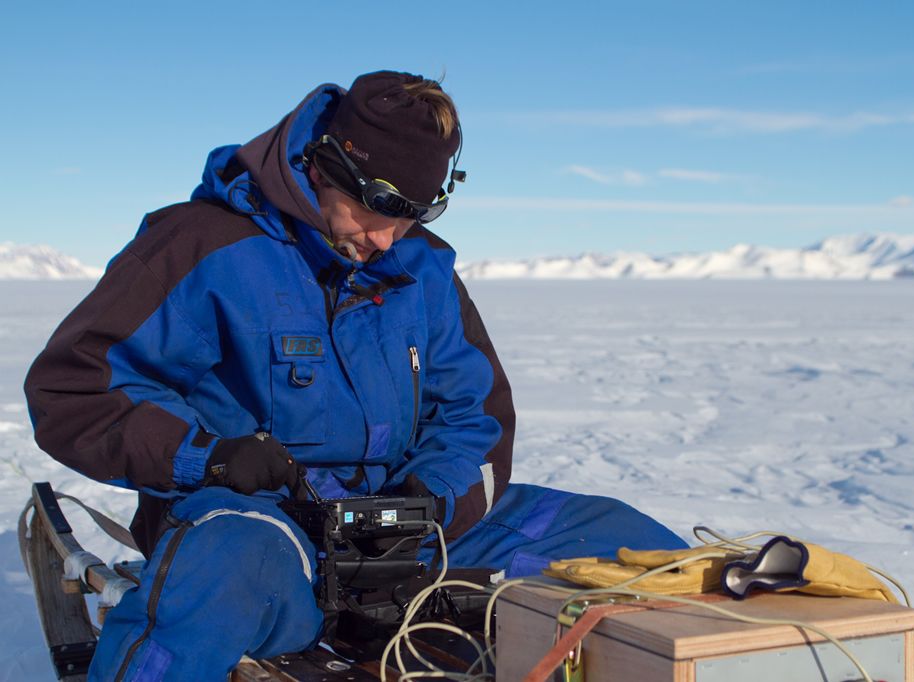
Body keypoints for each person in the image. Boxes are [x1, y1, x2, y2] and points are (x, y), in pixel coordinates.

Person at [24, 71, 687, 680]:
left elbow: (473, 419)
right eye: (379, 210)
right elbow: (76, 389)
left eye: (414, 216)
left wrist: (430, 503)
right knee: (222, 577)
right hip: (266, 526)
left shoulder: (421, 269)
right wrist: (215, 460)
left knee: (629, 544)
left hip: (414, 535)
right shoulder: (203, 247)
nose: (388, 239)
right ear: (324, 166)